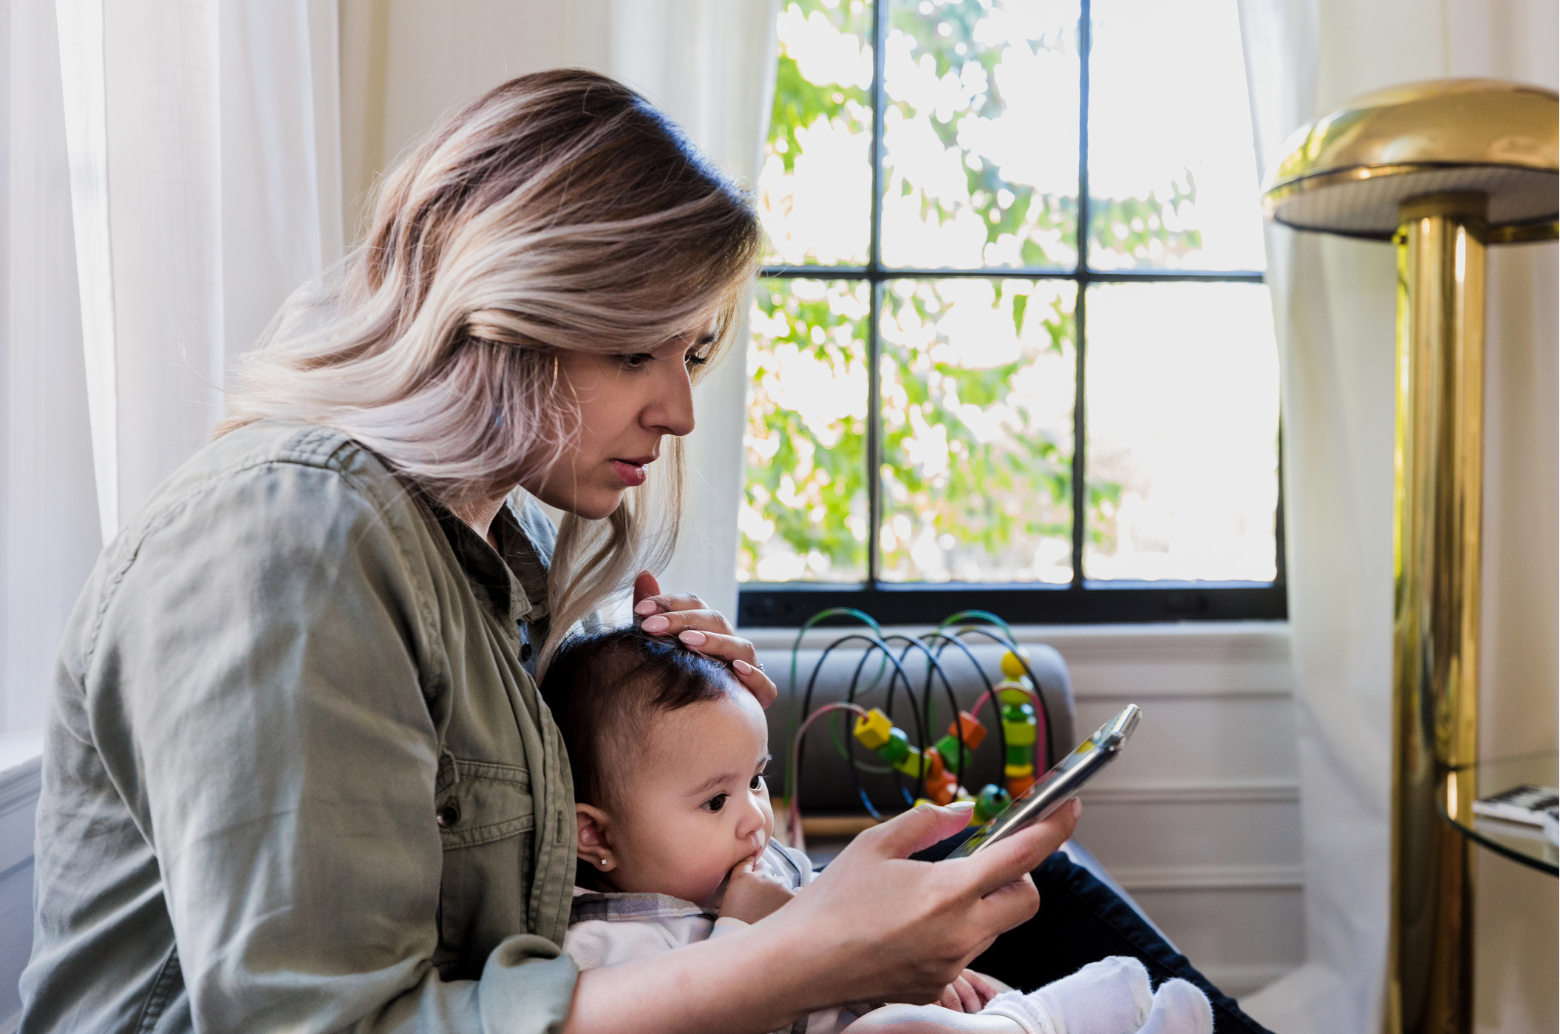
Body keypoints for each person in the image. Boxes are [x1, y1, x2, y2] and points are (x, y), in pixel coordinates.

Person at [17, 69, 1269, 1034]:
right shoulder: (285, 544)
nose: (675, 411)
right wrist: (796, 955)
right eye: (637, 351)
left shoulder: (467, 550)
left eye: (692, 358)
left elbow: (550, 899)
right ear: (504, 315)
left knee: (993, 874)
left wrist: (660, 727)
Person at [540, 626, 1216, 1034]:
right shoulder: (600, 945)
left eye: (754, 780)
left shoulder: (761, 866)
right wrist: (748, 928)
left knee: (958, 998)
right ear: (595, 837)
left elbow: (852, 945)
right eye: (714, 802)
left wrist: (917, 971)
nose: (754, 817)